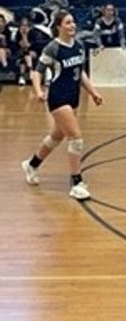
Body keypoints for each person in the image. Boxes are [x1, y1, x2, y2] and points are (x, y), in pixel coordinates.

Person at [21, 10, 104, 201]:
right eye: (68, 23)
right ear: (59, 27)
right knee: (76, 139)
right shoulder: (53, 48)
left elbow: (80, 73)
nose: (72, 25)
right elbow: (37, 72)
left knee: (56, 136)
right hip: (58, 98)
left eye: (73, 22)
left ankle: (32, 164)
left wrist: (93, 93)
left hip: (74, 97)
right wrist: (39, 91)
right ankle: (76, 183)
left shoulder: (79, 46)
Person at [10, 17, 38, 86]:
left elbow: (28, 46)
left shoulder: (33, 33)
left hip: (33, 52)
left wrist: (25, 35)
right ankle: (30, 70)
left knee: (26, 54)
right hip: (20, 53)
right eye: (22, 25)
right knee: (24, 57)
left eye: (26, 25)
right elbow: (23, 46)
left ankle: (22, 77)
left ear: (29, 26)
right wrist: (23, 35)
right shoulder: (18, 34)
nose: (24, 27)